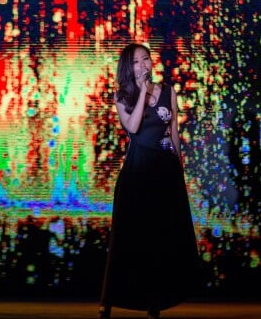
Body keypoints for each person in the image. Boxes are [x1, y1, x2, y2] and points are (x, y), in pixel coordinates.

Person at [98, 42, 200, 319]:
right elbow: (131, 128)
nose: (143, 65)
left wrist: (179, 167)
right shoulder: (123, 96)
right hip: (138, 172)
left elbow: (174, 131)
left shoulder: (168, 92)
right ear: (127, 68)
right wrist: (143, 91)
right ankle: (109, 301)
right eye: (136, 62)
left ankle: (156, 301)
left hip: (164, 171)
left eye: (146, 59)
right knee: (130, 238)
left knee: (161, 237)